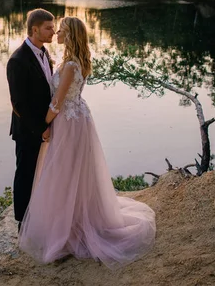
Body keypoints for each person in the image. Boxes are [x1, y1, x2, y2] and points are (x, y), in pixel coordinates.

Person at [18, 16, 156, 269]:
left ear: (70, 35)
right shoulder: (69, 61)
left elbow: (57, 102)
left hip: (69, 122)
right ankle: (69, 221)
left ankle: (70, 228)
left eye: (60, 30)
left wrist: (43, 125)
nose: (56, 33)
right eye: (54, 29)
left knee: (65, 173)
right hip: (75, 118)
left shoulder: (70, 65)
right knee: (70, 172)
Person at [6, 8, 55, 231]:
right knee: (25, 172)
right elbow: (19, 104)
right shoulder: (17, 60)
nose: (53, 32)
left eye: (53, 28)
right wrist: (40, 129)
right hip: (28, 130)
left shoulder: (44, 53)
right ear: (35, 29)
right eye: (48, 28)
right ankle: (22, 222)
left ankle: (39, 214)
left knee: (42, 172)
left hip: (45, 126)